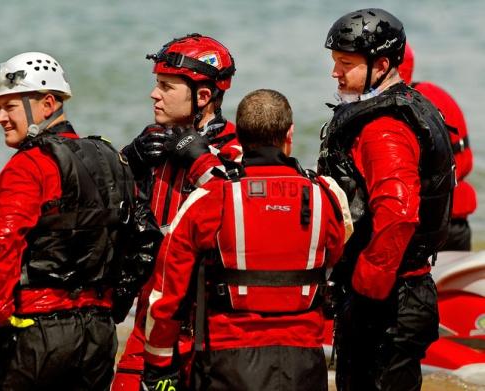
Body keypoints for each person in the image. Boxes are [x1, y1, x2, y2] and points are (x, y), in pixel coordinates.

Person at [0, 51, 161, 390]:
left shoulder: (28, 166)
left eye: (9, 106)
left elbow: (2, 243)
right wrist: (112, 307)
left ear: (47, 104)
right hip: (98, 339)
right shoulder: (112, 158)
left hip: (34, 334)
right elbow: (146, 240)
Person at [143, 89, 350, 391]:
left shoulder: (213, 198)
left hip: (229, 360)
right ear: (289, 132)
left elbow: (167, 288)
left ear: (238, 135)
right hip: (304, 359)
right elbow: (335, 252)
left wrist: (159, 365)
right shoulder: (325, 195)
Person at [318, 8, 456, 391]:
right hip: (405, 290)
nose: (335, 73)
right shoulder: (409, 104)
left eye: (345, 63)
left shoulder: (384, 129)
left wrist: (363, 291)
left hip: (388, 299)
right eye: (335, 62)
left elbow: (398, 216)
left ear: (381, 64)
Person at [112, 33, 241, 390]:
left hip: (210, 323)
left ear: (202, 96)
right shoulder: (151, 141)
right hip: (151, 312)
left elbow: (243, 219)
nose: (155, 94)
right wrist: (127, 162)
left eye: (167, 87)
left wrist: (203, 160)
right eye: (157, 85)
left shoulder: (236, 149)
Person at [398, 42, 477, 251]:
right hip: (459, 225)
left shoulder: (401, 108)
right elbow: (466, 162)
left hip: (428, 227)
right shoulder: (440, 95)